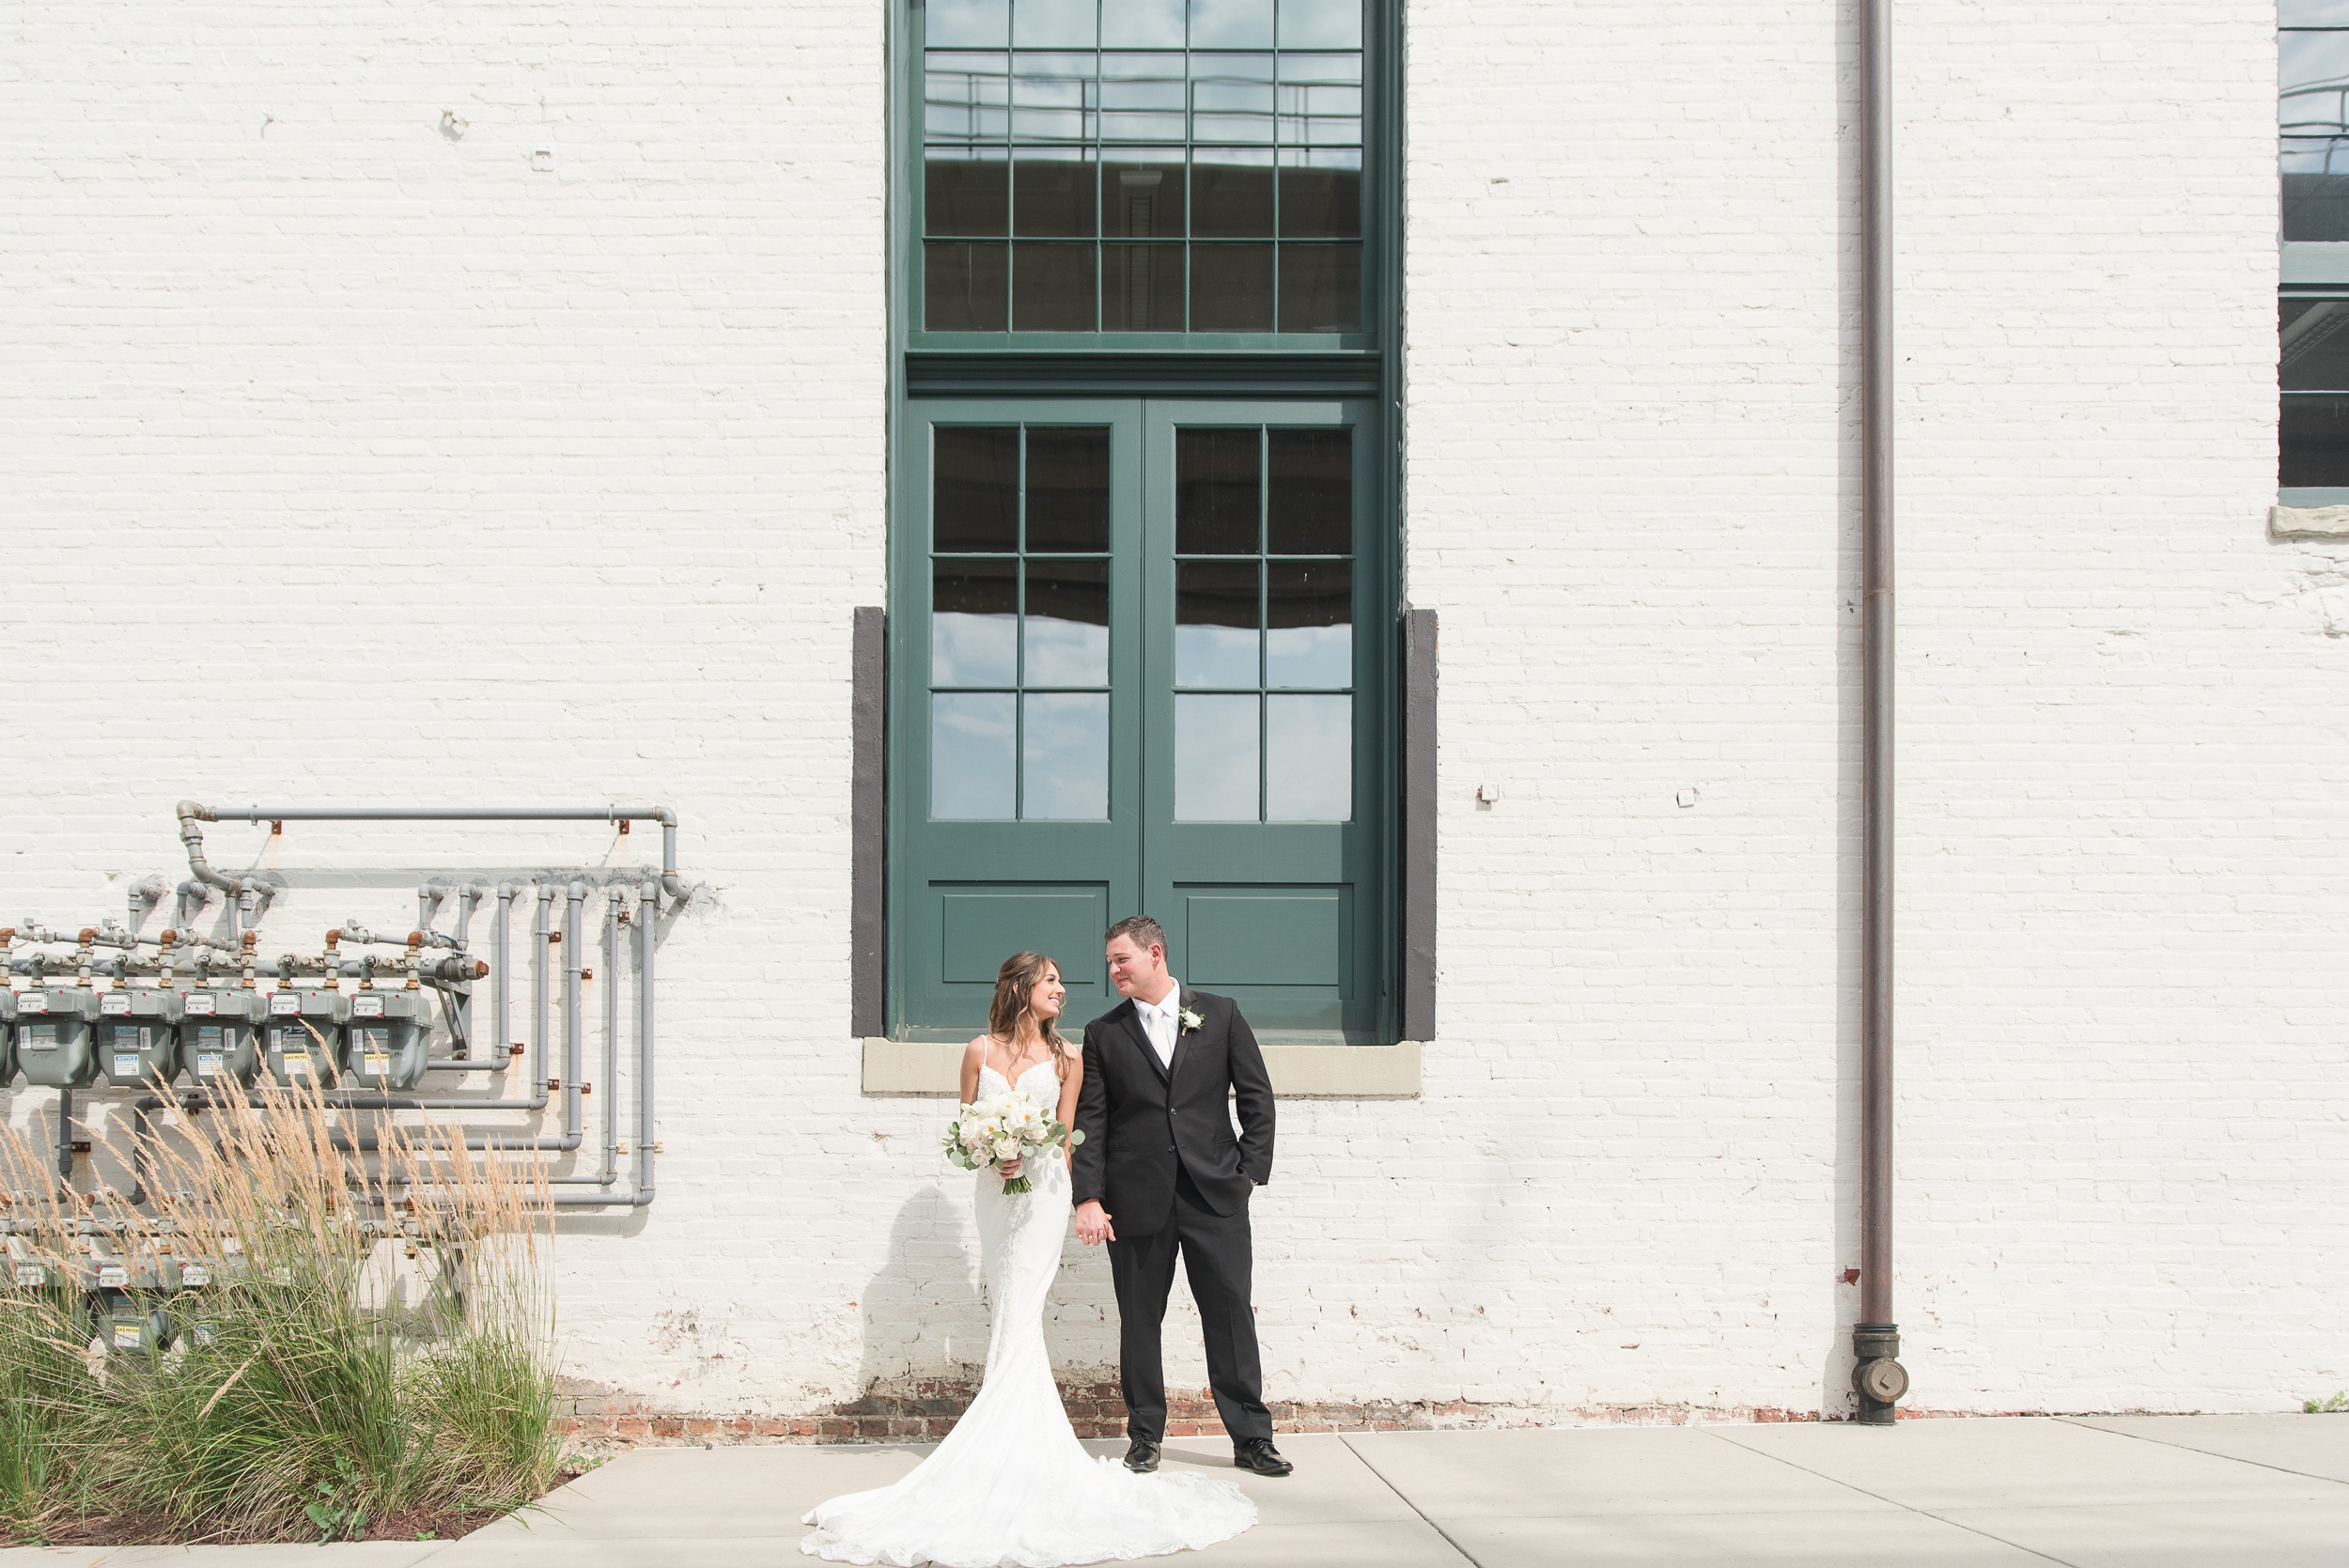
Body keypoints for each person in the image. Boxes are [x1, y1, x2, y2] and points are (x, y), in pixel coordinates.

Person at [801, 951, 1256, 1566]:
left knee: (1020, 1310)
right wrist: (991, 1152)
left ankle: (1004, 1447)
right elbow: (964, 1132)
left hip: (1043, 1196)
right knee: (1008, 1312)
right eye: (1051, 982)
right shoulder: (977, 1052)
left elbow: (1069, 1134)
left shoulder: (1069, 1057)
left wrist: (1086, 1199)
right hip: (996, 1195)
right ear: (1020, 988)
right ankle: (1011, 1442)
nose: (1062, 991)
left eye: (1061, 982)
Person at [1072, 917, 1293, 1480]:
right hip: (1136, 1200)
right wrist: (1089, 1197)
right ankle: (1144, 1435)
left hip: (1214, 1195)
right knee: (1140, 1321)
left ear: (1155, 953)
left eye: (1121, 959)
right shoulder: (1103, 1033)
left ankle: (1251, 1438)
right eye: (1109, 963)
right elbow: (1091, 1122)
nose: (1114, 970)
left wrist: (1249, 1172)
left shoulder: (1220, 1014)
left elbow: (1257, 1098)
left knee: (1230, 1317)